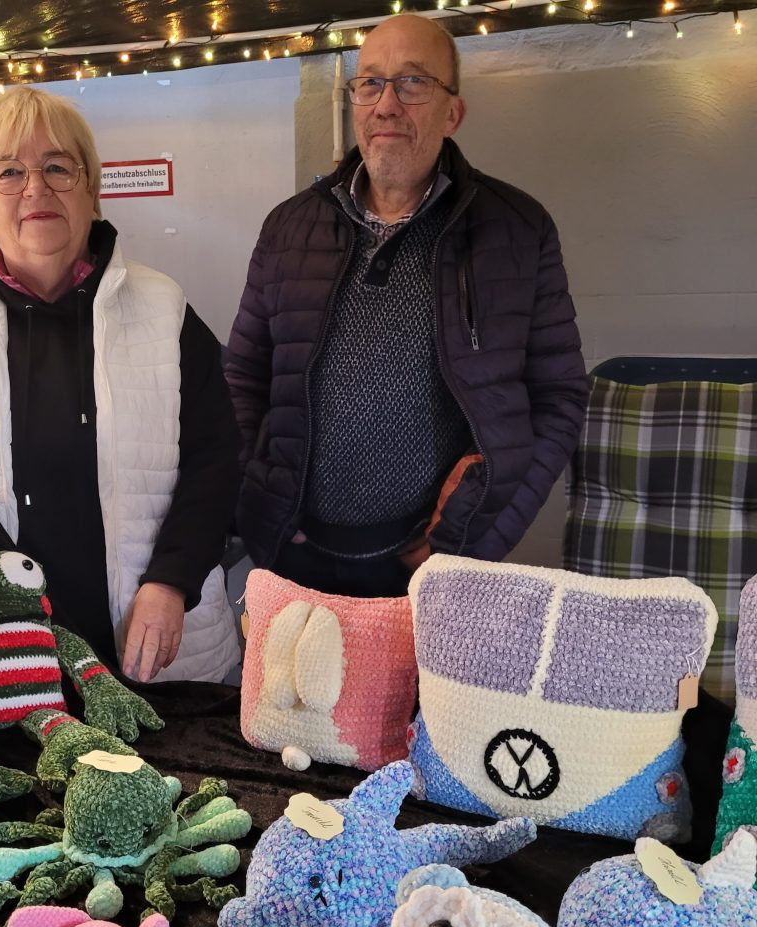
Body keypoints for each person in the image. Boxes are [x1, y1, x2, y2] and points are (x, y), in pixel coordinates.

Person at [0, 86, 240, 684]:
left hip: (143, 644)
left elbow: (216, 462)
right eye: (10, 171)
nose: (35, 188)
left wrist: (172, 580)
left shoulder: (163, 309)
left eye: (57, 168)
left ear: (92, 190)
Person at [226, 14, 587, 597]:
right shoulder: (289, 227)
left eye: (413, 82)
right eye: (369, 83)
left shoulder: (517, 229)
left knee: (427, 696)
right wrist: (255, 497)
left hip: (433, 570)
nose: (386, 104)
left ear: (453, 113)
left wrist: (477, 538)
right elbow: (242, 375)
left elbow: (558, 397)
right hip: (296, 558)